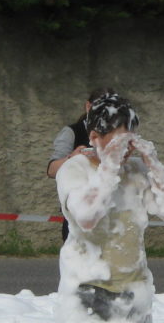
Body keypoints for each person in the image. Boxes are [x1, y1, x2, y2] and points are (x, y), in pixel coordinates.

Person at [56, 92, 164, 323]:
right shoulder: (74, 169)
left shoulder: (136, 170)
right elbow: (86, 217)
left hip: (135, 288)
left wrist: (155, 167)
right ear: (94, 137)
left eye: (130, 141)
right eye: (118, 142)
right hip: (88, 288)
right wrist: (110, 166)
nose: (125, 150)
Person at [47, 88, 115, 241]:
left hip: (112, 213)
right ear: (88, 106)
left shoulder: (117, 135)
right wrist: (72, 158)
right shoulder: (72, 132)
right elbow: (51, 170)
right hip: (78, 215)